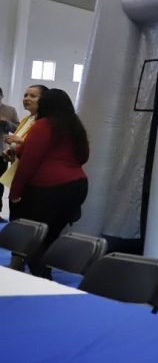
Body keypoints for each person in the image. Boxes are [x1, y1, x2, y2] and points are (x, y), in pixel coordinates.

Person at [8, 88, 89, 277]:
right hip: (77, 186)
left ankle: (41, 278)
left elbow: (29, 163)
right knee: (50, 236)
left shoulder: (43, 125)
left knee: (34, 238)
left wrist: (15, 193)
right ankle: (44, 275)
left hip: (48, 189)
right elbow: (83, 156)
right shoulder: (75, 125)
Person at [0, 85, 45, 221]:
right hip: (16, 167)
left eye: (32, 96)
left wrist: (6, 123)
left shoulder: (42, 122)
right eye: (25, 95)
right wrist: (11, 150)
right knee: (15, 211)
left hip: (29, 175)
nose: (26, 98)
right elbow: (19, 140)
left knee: (23, 214)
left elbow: (35, 147)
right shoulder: (27, 119)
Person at [0, 87, 18, 218]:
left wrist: (6, 122)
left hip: (1, 153)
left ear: (1, 96)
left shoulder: (10, 110)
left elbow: (18, 129)